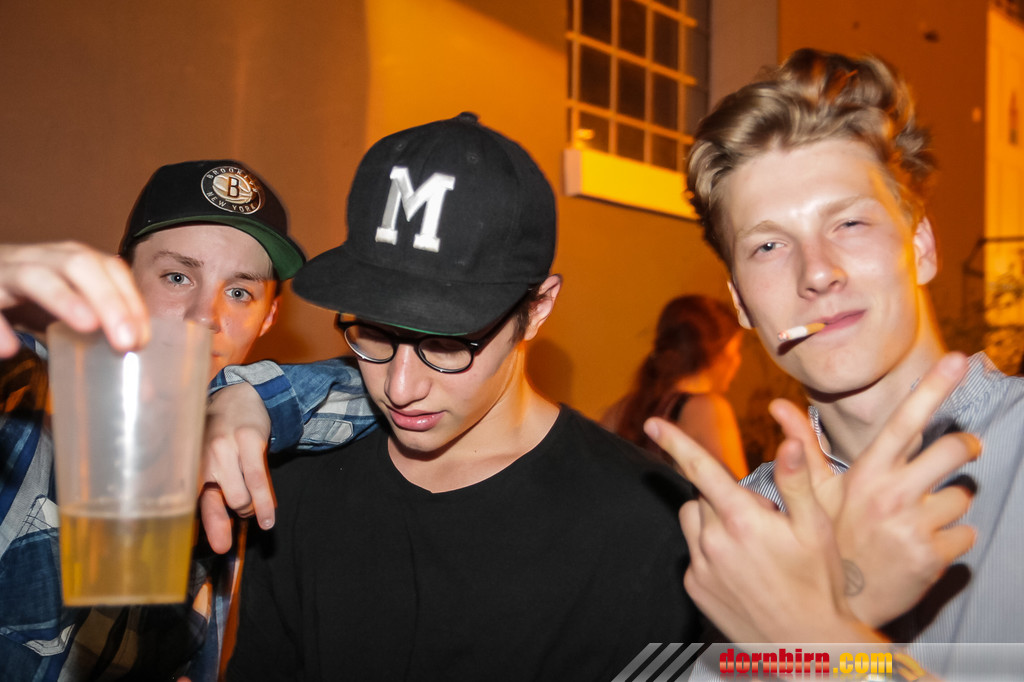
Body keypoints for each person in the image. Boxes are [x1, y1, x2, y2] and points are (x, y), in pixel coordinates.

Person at [222, 112, 699, 681]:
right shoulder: (298, 481)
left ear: (537, 309)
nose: (400, 387)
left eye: (447, 343)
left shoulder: (647, 523)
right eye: (373, 332)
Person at [645, 48, 1022, 677]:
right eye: (769, 245)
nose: (817, 272)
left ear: (921, 246)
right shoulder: (748, 534)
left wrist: (816, 638)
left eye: (848, 223)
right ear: (741, 303)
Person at [0, 160, 374, 680]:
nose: (205, 315)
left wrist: (252, 397)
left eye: (239, 292)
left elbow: (393, 386)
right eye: (178, 277)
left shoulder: (240, 451)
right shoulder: (29, 398)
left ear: (268, 317)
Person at [601, 294, 747, 479]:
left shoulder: (623, 409)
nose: (738, 361)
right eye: (736, 350)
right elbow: (736, 490)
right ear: (719, 354)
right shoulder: (707, 408)